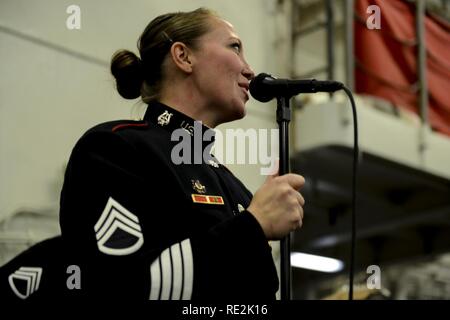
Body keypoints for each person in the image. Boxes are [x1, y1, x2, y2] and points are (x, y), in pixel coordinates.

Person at [58, 7, 305, 300]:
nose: (249, 69)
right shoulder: (114, 148)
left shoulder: (235, 188)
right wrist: (252, 226)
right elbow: (117, 282)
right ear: (183, 56)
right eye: (234, 47)